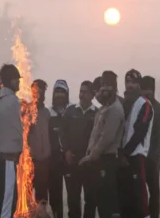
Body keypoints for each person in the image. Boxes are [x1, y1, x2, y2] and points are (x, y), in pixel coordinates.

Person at [79, 71, 125, 218]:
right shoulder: (103, 109)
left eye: (106, 87)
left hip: (108, 160)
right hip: (99, 161)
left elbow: (107, 138)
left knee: (107, 205)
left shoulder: (115, 110)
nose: (101, 92)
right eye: (102, 86)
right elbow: (95, 135)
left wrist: (91, 156)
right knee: (99, 202)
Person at [0, 64, 22, 218]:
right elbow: (16, 133)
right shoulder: (12, 101)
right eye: (17, 80)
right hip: (7, 158)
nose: (19, 83)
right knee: (8, 201)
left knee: (4, 199)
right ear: (12, 81)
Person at [118, 69, 154, 218]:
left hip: (136, 155)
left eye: (133, 82)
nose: (130, 85)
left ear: (139, 84)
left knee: (139, 194)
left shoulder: (144, 104)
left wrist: (125, 153)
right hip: (123, 157)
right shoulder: (125, 104)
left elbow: (140, 132)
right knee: (126, 197)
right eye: (127, 82)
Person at [60, 80, 98, 218]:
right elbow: (62, 133)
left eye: (85, 92)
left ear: (92, 95)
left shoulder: (97, 114)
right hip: (73, 162)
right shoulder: (70, 111)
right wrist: (66, 151)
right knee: (73, 199)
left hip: (90, 164)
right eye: (80, 91)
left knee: (90, 199)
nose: (81, 95)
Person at [141, 76, 160, 218]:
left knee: (154, 192)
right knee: (140, 192)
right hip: (140, 157)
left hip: (152, 158)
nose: (146, 93)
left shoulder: (158, 109)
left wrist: (156, 155)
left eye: (148, 90)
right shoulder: (139, 106)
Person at [48, 79, 71, 218]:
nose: (60, 95)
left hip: (69, 160)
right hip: (53, 161)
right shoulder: (48, 113)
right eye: (57, 91)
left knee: (73, 197)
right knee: (55, 197)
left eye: (62, 92)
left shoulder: (72, 111)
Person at [28, 79, 52, 205]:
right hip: (30, 162)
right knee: (26, 198)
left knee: (42, 198)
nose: (39, 96)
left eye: (42, 93)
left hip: (44, 162)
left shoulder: (47, 113)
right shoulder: (27, 111)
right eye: (36, 93)